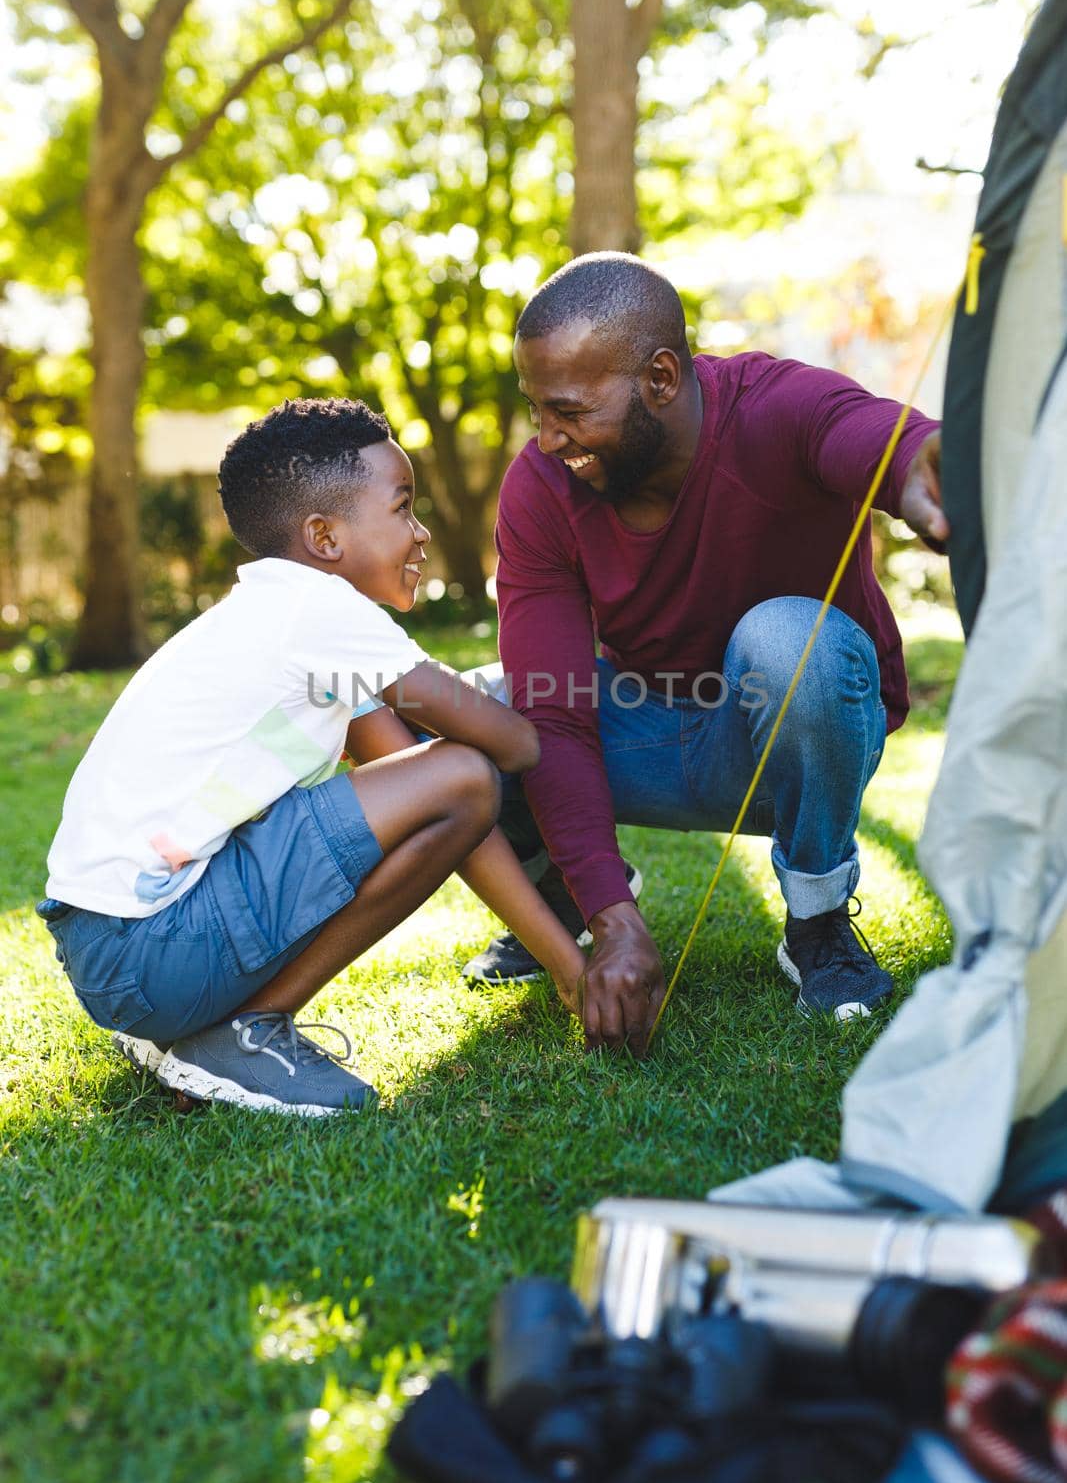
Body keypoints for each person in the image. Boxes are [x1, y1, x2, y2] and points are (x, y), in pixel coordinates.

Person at [37, 397, 590, 1116]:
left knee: (459, 780)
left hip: (112, 956)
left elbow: (454, 812)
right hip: (152, 947)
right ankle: (246, 1031)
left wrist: (568, 971)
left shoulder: (281, 624)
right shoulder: (318, 612)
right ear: (324, 537)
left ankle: (199, 1027)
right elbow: (510, 744)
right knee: (466, 768)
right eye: (402, 508)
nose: (420, 534)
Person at [462, 252, 949, 1055]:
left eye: (569, 411)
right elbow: (550, 702)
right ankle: (561, 901)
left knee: (789, 638)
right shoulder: (539, 488)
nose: (547, 438)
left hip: (782, 729)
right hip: (643, 727)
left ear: (659, 378)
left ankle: (818, 926)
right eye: (535, 409)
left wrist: (921, 468)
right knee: (454, 709)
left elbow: (866, 434)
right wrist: (608, 912)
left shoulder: (775, 404)